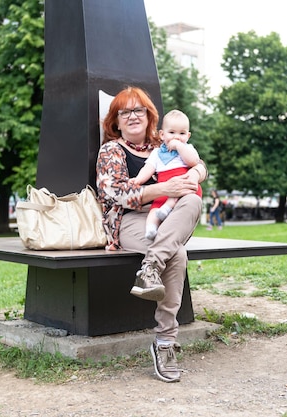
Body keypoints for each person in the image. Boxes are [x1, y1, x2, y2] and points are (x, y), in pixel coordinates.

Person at [96, 86, 207, 383]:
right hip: (129, 220)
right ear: (116, 122)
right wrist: (163, 189)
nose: (133, 116)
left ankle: (150, 268)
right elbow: (115, 193)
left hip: (168, 219)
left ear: (149, 117)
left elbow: (198, 163)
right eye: (125, 112)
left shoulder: (164, 141)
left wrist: (196, 174)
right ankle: (166, 342)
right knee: (178, 254)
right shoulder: (111, 150)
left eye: (139, 110)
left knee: (194, 199)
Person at [129, 109, 202, 240]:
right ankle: (151, 228)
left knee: (176, 197)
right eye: (172, 132)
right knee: (153, 210)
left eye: (182, 133)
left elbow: (194, 161)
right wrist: (138, 180)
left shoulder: (187, 148)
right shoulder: (157, 153)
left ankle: (168, 207)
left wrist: (180, 147)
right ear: (162, 135)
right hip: (164, 189)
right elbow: (148, 168)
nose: (177, 137)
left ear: (188, 136)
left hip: (184, 186)